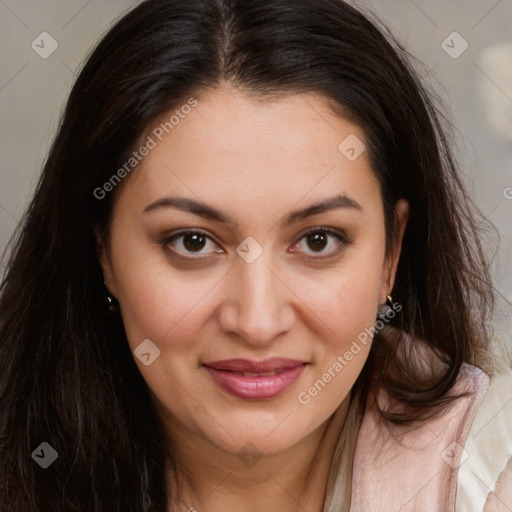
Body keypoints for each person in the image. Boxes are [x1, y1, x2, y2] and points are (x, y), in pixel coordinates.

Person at [1, 0, 511, 510]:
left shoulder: (490, 475)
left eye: (318, 240)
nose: (257, 322)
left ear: (390, 253)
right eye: (193, 242)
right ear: (104, 252)